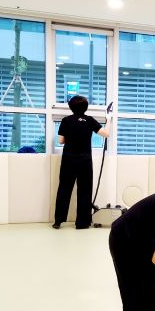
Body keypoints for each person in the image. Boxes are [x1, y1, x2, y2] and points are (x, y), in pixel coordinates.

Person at [53, 95, 111, 230]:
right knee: (85, 191)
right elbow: (106, 134)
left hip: (68, 160)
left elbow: (61, 141)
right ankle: (82, 223)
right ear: (85, 107)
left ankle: (58, 221)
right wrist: (109, 119)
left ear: (71, 107)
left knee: (64, 189)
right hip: (84, 161)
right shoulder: (89, 120)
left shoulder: (66, 120)